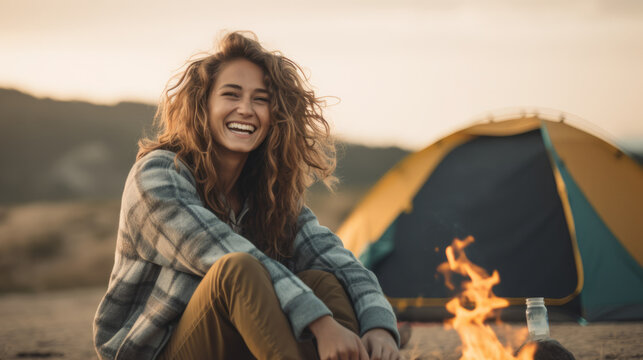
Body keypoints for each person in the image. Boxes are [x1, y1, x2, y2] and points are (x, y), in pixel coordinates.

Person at [93, 31, 401, 360]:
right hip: (157, 352)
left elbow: (340, 261)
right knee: (236, 270)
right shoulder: (157, 176)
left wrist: (379, 327)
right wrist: (321, 323)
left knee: (323, 281)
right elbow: (221, 252)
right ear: (204, 104)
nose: (246, 109)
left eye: (261, 99)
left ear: (275, 116)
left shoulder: (266, 195)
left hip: (235, 345)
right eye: (231, 94)